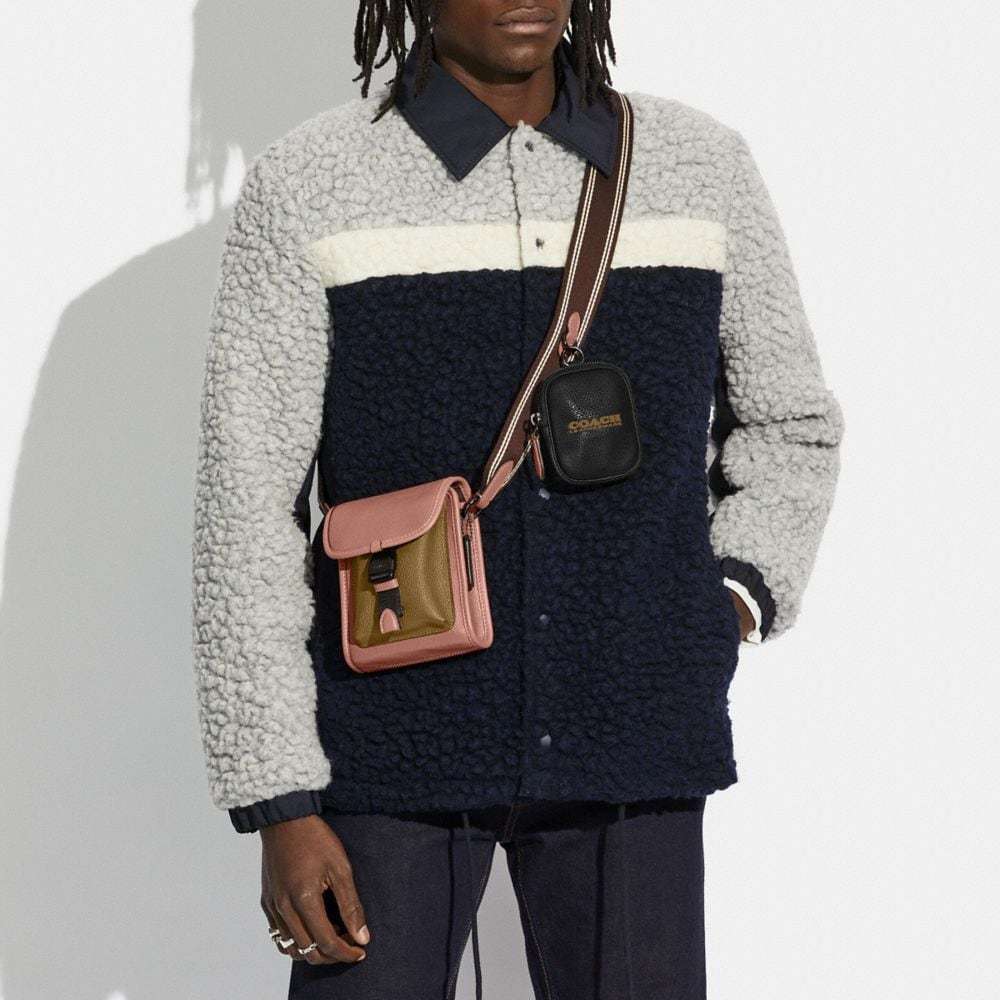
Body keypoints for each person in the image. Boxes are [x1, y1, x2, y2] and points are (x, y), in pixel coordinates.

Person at [191, 2, 844, 997]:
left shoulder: (699, 165)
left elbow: (791, 422)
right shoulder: (311, 181)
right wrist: (278, 799)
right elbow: (245, 503)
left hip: (634, 735)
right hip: (390, 743)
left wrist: (725, 602)